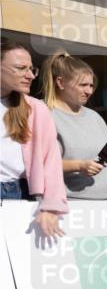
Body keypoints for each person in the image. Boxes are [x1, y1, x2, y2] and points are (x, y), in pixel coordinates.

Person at [1, 39, 66, 236]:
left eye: (31, 69)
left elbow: (51, 161)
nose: (29, 75)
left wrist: (51, 206)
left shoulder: (36, 109)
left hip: (18, 194)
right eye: (20, 68)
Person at [40, 50, 107, 200]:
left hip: (105, 202)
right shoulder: (42, 113)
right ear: (60, 82)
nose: (89, 91)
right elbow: (36, 164)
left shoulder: (95, 117)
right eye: (83, 85)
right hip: (64, 205)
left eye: (91, 85)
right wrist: (79, 166)